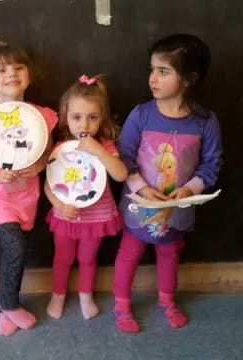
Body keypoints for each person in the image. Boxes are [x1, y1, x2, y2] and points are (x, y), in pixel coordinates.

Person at [114, 34, 223, 333]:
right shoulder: (141, 114)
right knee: (129, 253)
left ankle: (167, 301)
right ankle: (121, 304)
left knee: (170, 253)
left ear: (189, 79)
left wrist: (190, 189)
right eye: (152, 70)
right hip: (140, 205)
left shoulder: (205, 121)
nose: (153, 78)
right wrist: (141, 188)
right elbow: (123, 157)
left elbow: (212, 163)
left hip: (178, 209)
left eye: (163, 72)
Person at [0, 46, 58, 336]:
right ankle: (8, 304)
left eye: (18, 68)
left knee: (16, 251)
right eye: (2, 69)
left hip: (26, 196)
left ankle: (5, 308)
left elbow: (50, 153)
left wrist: (39, 165)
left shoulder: (41, 117)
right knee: (15, 247)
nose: (11, 74)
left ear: (29, 77)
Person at [44, 75, 127, 320]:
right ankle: (57, 295)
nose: (84, 125)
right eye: (77, 117)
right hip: (66, 213)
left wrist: (99, 150)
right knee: (63, 257)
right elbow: (49, 183)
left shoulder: (106, 145)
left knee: (87, 258)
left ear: (102, 117)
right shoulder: (60, 147)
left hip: (97, 216)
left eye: (92, 117)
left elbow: (121, 174)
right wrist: (58, 204)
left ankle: (85, 295)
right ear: (66, 116)